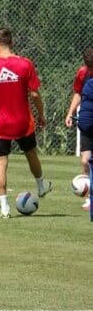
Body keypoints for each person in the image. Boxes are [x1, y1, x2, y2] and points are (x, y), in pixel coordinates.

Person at [0, 28, 52, 218]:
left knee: (1, 162)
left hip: (0, 124)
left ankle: (4, 209)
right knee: (31, 153)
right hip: (23, 122)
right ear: (12, 43)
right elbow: (34, 94)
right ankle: (41, 185)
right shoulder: (25, 64)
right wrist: (41, 114)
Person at [64, 47, 93, 212]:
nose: (91, 70)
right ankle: (90, 197)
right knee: (85, 160)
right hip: (87, 120)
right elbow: (78, 93)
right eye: (89, 66)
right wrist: (70, 113)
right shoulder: (83, 73)